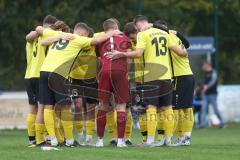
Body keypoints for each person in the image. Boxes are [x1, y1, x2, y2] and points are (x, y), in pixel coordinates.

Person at [35, 21, 122, 147]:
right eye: (86, 36)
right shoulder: (78, 39)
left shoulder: (59, 33)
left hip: (44, 71)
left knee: (48, 106)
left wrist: (58, 37)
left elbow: (39, 29)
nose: (86, 38)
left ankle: (53, 139)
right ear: (82, 33)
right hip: (59, 74)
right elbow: (96, 41)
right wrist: (112, 32)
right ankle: (70, 140)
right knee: (65, 107)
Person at [105, 15, 188, 146]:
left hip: (150, 76)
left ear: (138, 25)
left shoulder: (143, 35)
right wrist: (184, 52)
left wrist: (121, 54)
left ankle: (149, 140)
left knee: (150, 108)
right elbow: (182, 52)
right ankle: (168, 139)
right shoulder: (163, 33)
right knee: (167, 108)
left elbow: (138, 54)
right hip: (166, 76)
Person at [153, 20, 195, 146]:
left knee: (175, 109)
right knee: (186, 109)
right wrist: (177, 32)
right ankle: (184, 138)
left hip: (179, 76)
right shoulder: (175, 37)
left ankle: (174, 138)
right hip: (187, 75)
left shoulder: (166, 38)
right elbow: (187, 44)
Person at [95, 18, 131, 147]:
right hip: (120, 71)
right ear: (116, 27)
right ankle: (121, 141)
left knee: (102, 105)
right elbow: (129, 58)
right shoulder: (125, 38)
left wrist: (98, 74)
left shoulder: (99, 38)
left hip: (105, 71)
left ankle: (99, 141)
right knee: (121, 106)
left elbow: (98, 60)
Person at [25, 15, 58, 147]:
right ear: (51, 27)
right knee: (43, 108)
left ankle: (32, 138)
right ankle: (41, 138)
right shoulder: (47, 37)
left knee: (33, 107)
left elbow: (28, 37)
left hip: (28, 76)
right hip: (40, 75)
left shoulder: (32, 38)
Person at [201, 62, 224, 128]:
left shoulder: (213, 73)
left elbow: (213, 81)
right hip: (205, 95)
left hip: (213, 95)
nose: (203, 67)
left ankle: (222, 123)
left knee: (216, 110)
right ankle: (203, 125)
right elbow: (204, 83)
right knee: (203, 109)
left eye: (205, 65)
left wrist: (207, 86)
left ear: (209, 66)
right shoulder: (205, 73)